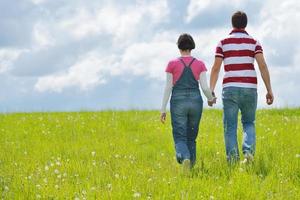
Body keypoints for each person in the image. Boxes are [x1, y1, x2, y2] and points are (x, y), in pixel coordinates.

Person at [210, 11, 274, 163]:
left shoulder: (223, 42)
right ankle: (248, 152)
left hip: (230, 88)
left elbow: (216, 68)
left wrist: (211, 90)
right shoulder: (254, 42)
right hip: (249, 88)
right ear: (245, 24)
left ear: (232, 24)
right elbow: (262, 65)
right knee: (248, 122)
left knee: (230, 127)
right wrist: (269, 89)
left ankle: (232, 161)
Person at [160, 33, 216, 171]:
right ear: (192, 47)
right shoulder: (200, 64)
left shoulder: (172, 64)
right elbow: (204, 87)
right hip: (196, 101)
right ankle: (190, 167)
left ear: (179, 47)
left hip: (178, 101)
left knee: (180, 136)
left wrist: (163, 109)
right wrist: (211, 98)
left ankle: (184, 157)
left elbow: (168, 87)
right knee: (191, 136)